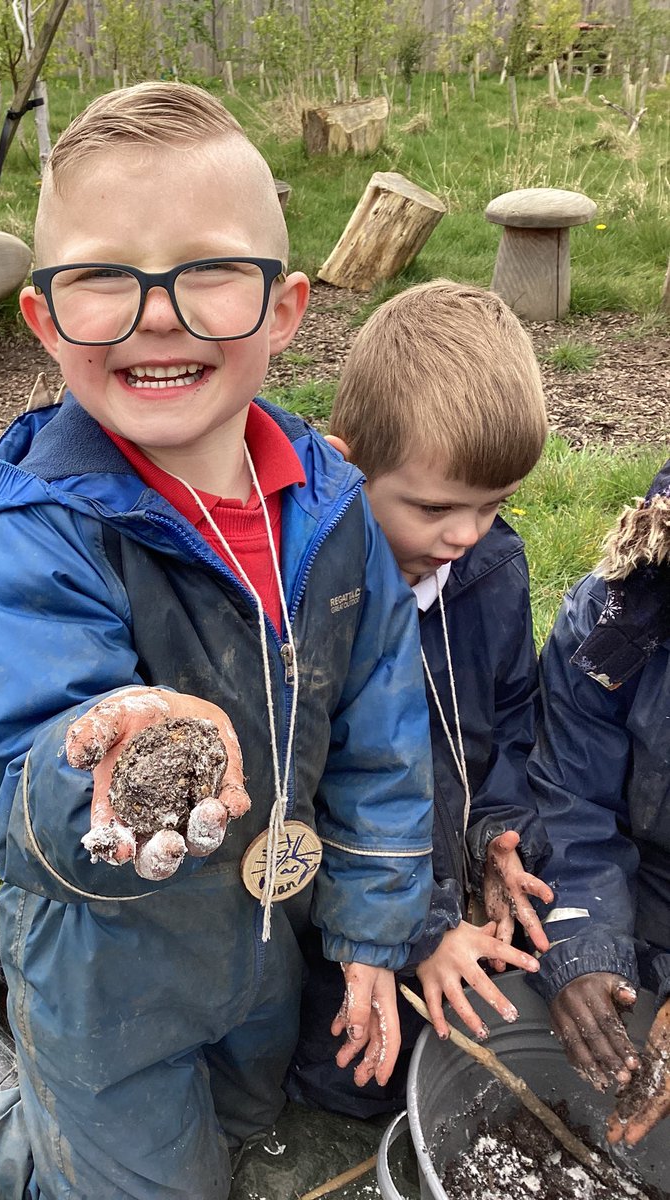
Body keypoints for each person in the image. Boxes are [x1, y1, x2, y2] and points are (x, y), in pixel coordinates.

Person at [0, 82, 435, 1200]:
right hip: (107, 964)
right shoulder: (43, 540)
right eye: (106, 275)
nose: (159, 314)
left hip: (259, 939)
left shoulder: (335, 512)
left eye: (209, 269)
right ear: (45, 317)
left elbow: (383, 736)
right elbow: (32, 777)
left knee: (248, 1120)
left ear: (286, 308)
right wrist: (108, 755)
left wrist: (375, 931)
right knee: (139, 1186)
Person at [287, 280, 553, 1119]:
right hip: (336, 914)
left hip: (449, 878)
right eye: (436, 507)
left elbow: (513, 721)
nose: (466, 535)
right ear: (345, 462)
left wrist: (498, 834)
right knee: (357, 1088)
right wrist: (425, 930)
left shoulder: (490, 573)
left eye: (494, 504)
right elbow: (321, 792)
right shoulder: (314, 606)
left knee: (510, 1036)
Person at [528, 457, 670, 1148]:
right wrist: (580, 940)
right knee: (553, 969)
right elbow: (570, 796)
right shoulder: (617, 616)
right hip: (631, 875)